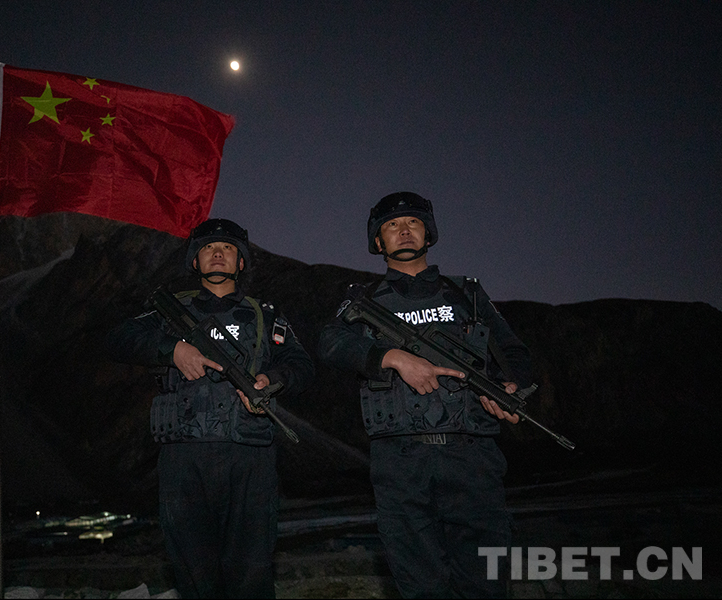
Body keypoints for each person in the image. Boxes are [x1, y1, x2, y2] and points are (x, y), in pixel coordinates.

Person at [317, 192, 533, 598]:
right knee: (419, 585)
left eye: (413, 222)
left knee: (485, 584)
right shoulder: (365, 299)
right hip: (400, 463)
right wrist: (392, 357)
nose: (403, 230)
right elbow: (329, 343)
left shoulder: (466, 294)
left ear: (428, 234)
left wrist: (511, 388)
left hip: (472, 459)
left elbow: (513, 353)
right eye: (392, 225)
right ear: (378, 242)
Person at [105, 218, 314, 599]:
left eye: (228, 248)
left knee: (251, 574)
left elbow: (302, 365)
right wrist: (172, 350)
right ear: (195, 261)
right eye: (208, 248)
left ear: (241, 262)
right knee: (194, 576)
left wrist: (272, 380)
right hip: (184, 458)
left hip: (249, 458)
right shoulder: (169, 312)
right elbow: (117, 338)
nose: (218, 253)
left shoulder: (265, 315)